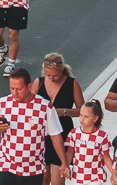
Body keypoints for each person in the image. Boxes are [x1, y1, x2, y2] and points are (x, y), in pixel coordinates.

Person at [0, 67, 65, 184]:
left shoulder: (45, 107)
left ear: (29, 87)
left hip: (33, 169)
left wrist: (64, 162)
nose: (14, 93)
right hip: (7, 166)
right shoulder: (2, 104)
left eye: (19, 89)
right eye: (12, 88)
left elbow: (55, 136)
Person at [32, 53, 85, 185]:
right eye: (48, 75)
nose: (51, 78)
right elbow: (30, 105)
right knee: (42, 179)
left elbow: (82, 110)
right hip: (42, 134)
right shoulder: (39, 82)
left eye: (55, 75)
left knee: (58, 179)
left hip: (62, 131)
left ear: (61, 70)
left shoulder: (72, 84)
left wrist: (64, 112)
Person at [63, 100, 117, 185]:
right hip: (78, 176)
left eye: (86, 117)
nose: (82, 119)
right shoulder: (74, 133)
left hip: (95, 177)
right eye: (81, 115)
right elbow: (70, 152)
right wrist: (65, 166)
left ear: (95, 118)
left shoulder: (101, 136)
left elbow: (106, 157)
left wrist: (114, 174)